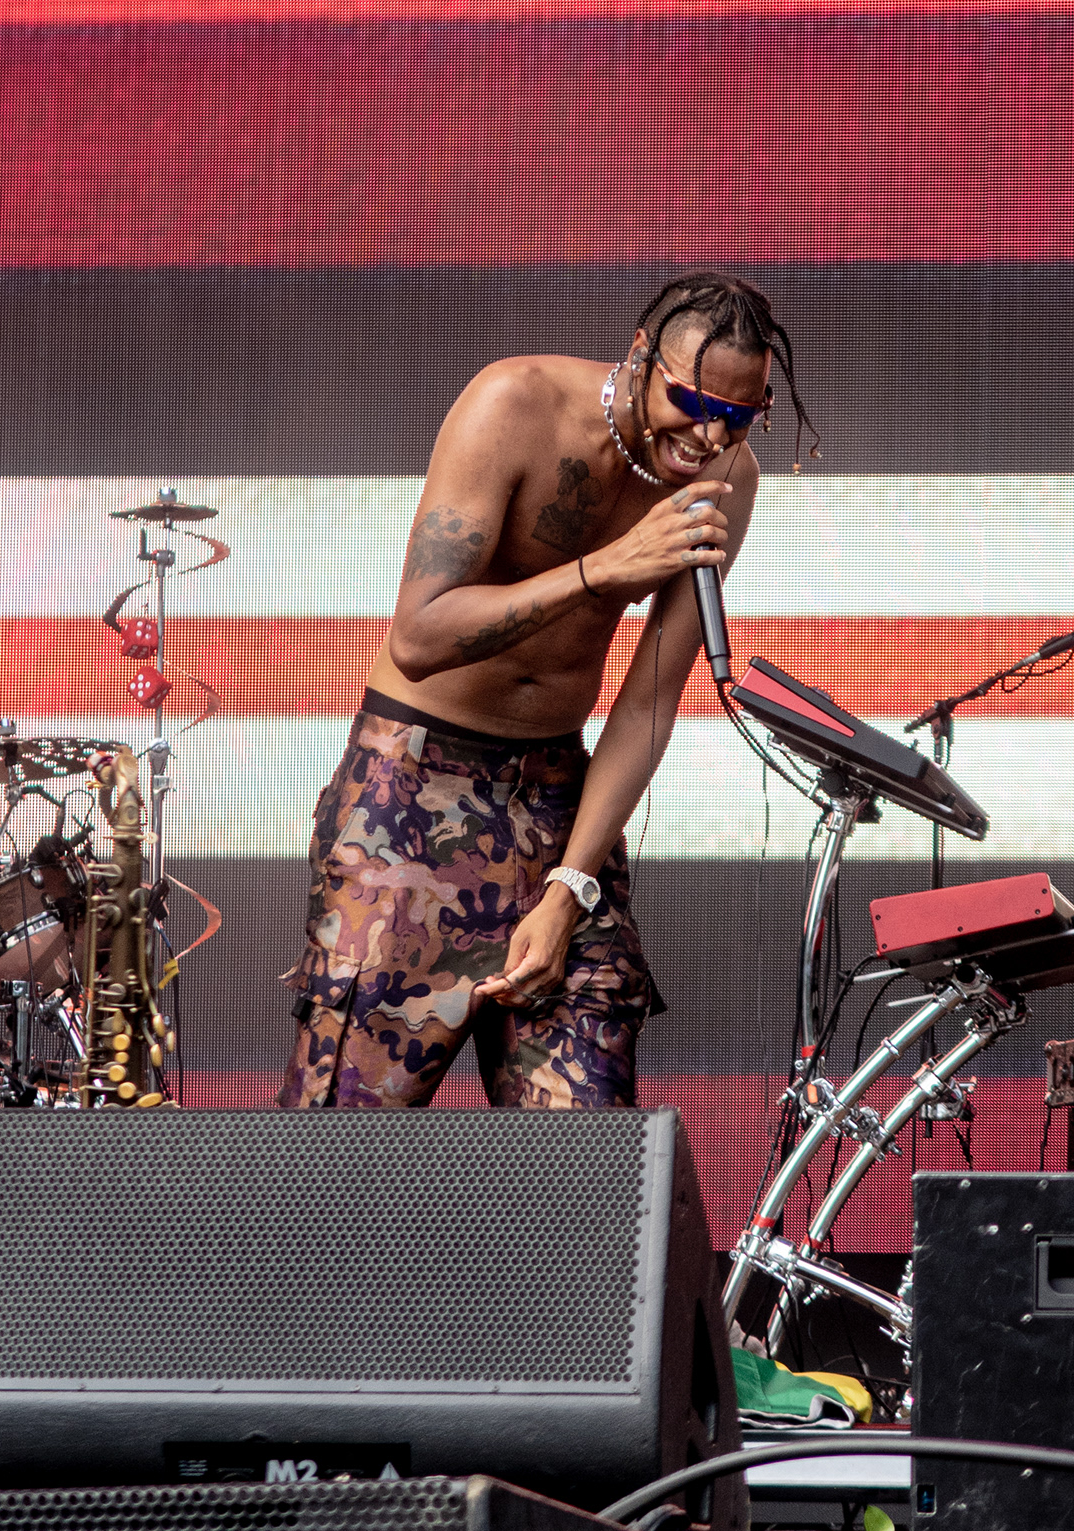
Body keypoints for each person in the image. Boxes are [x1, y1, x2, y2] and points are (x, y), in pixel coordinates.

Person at [278, 272, 817, 1111]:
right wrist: (604, 570)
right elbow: (417, 639)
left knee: (589, 1161)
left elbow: (647, 703)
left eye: (739, 416)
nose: (710, 434)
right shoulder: (514, 403)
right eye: (690, 400)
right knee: (341, 1154)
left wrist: (571, 887)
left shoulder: (725, 479)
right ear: (640, 358)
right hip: (412, 789)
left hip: (560, 806)